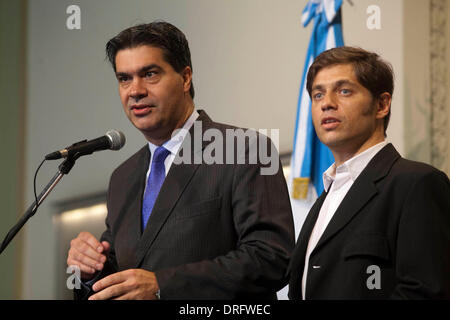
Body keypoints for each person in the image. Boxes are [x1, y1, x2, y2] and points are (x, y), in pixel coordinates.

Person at [66, 21, 294, 300]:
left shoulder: (244, 149)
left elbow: (272, 258)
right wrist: (89, 269)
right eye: (124, 78)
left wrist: (163, 286)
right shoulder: (122, 177)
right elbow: (125, 275)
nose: (134, 90)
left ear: (185, 78)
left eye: (149, 74)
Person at [288, 46, 450, 299]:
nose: (327, 104)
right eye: (318, 94)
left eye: (344, 91)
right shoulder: (326, 197)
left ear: (382, 105)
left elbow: (425, 292)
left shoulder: (416, 184)